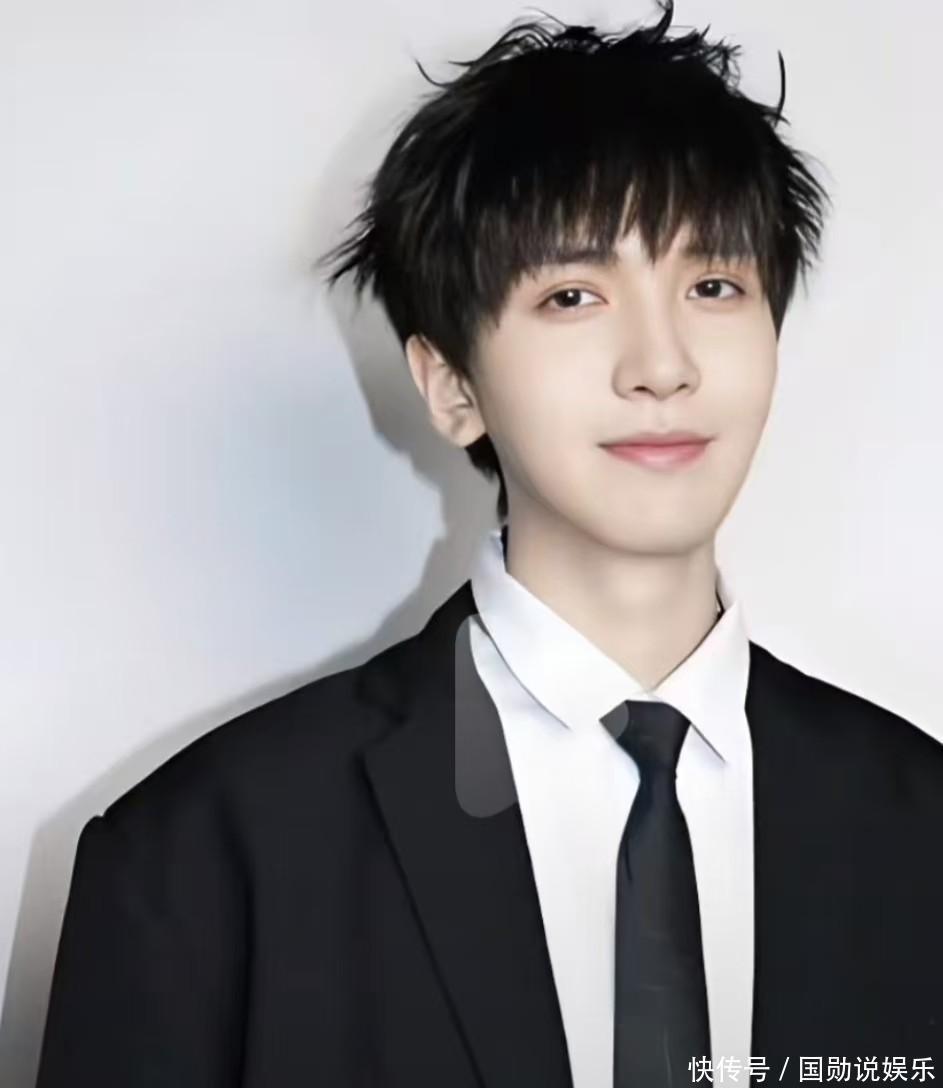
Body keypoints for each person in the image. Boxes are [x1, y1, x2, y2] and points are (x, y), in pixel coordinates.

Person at [36, 3, 943, 1086]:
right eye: (572, 295)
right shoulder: (201, 857)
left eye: (712, 287)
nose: (662, 365)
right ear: (451, 384)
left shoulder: (918, 824)